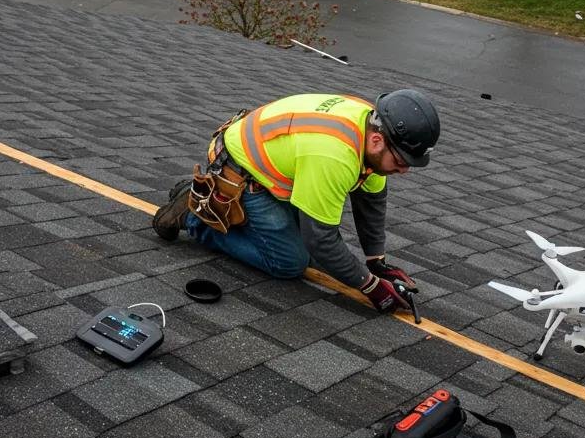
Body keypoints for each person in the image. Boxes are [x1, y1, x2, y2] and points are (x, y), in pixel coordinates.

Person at [152, 90, 440, 312]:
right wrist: (371, 287)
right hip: (241, 169)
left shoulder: (372, 127)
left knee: (323, 256)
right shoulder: (333, 155)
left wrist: (377, 262)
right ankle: (195, 217)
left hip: (275, 165)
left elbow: (372, 201)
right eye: (402, 162)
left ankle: (211, 204)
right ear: (378, 141)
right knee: (290, 262)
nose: (404, 171)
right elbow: (322, 241)